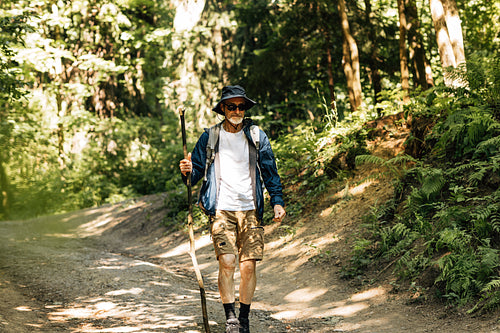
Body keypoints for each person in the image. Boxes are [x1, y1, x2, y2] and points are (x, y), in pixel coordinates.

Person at [179, 85, 286, 333]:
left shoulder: (257, 135)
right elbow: (193, 175)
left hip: (251, 209)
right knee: (227, 262)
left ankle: (245, 318)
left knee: (248, 265)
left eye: (240, 106)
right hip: (221, 210)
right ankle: (231, 319)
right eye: (231, 106)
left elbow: (270, 171)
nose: (237, 110)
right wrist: (187, 170)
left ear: (245, 108)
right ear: (223, 109)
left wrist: (277, 200)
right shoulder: (210, 137)